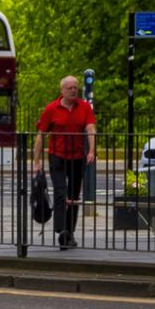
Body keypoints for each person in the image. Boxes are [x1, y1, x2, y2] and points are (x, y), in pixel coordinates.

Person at [33, 75, 96, 249]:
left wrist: (91, 151)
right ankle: (61, 230)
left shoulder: (84, 107)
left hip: (77, 157)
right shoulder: (51, 109)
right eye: (70, 88)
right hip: (57, 156)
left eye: (76, 87)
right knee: (61, 193)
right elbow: (41, 135)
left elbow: (90, 128)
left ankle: (69, 232)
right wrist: (36, 162)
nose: (74, 90)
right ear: (62, 91)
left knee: (74, 197)